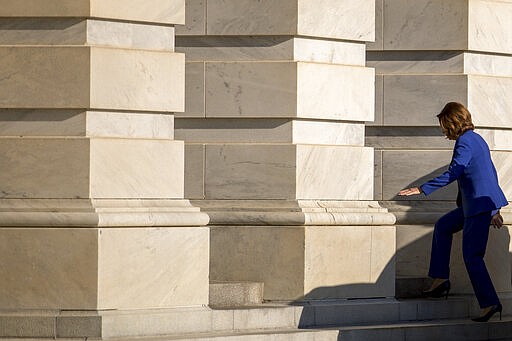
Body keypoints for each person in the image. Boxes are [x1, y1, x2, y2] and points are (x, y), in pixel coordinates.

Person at [399, 102, 508, 322]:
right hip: (475, 205)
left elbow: (453, 173)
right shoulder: (477, 139)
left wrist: (421, 188)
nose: (442, 131)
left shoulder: (464, 142)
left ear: (452, 123)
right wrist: (494, 209)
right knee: (443, 226)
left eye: (443, 125)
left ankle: (490, 303)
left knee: (472, 256)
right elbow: (489, 173)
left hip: (477, 207)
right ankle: (440, 279)